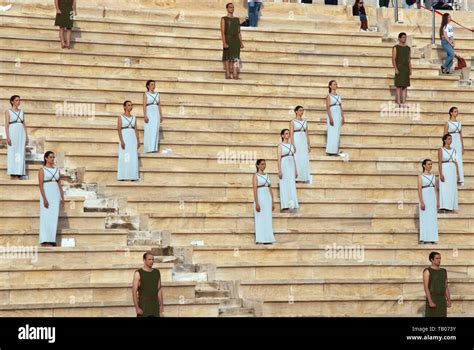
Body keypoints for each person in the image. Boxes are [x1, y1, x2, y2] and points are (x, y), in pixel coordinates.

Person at [38, 151, 64, 247]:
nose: (52, 159)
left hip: (55, 196)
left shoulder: (57, 170)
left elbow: (59, 185)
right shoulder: (42, 170)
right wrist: (44, 198)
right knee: (45, 217)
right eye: (50, 157)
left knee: (53, 218)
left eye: (53, 157)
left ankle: (52, 239)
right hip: (47, 194)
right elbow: (40, 185)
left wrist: (62, 198)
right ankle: (45, 240)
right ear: (46, 158)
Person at [132, 252, 164, 317]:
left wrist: (161, 305)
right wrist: (137, 307)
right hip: (143, 304)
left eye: (152, 259)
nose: (151, 261)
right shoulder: (138, 273)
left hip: (154, 304)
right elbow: (134, 291)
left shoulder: (157, 272)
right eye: (149, 259)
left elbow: (159, 289)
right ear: (144, 260)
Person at [253, 159, 276, 244]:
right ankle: (261, 239)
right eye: (262, 164)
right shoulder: (255, 176)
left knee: (267, 219)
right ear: (257, 165)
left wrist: (273, 202)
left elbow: (270, 189)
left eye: (265, 164)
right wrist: (256, 203)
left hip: (267, 199)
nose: (264, 166)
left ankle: (268, 238)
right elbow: (255, 190)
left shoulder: (267, 175)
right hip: (260, 198)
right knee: (260, 219)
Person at [5, 95, 28, 178]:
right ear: (12, 102)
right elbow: (7, 125)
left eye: (19, 100)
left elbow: (24, 124)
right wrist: (7, 137)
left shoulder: (22, 111)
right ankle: (12, 171)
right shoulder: (8, 111)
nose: (18, 102)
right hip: (12, 132)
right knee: (13, 152)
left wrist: (27, 136)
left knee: (20, 152)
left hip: (21, 133)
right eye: (17, 100)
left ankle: (19, 171)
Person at [423, 252, 451, 317]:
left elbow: (446, 286)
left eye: (440, 258)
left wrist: (449, 300)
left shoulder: (443, 271)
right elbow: (426, 288)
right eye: (437, 258)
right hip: (433, 298)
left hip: (442, 300)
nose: (439, 260)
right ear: (432, 260)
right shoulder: (427, 271)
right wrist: (430, 301)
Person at [418, 159, 439, 244]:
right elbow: (419, 190)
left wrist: (437, 201)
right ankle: (424, 238)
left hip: (432, 199)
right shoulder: (420, 176)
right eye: (428, 164)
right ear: (424, 165)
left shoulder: (434, 176)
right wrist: (422, 201)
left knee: (432, 218)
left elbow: (435, 190)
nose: (430, 166)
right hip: (425, 197)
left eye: (431, 164)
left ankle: (432, 237)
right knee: (424, 218)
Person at [117, 101, 140, 181]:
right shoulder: (120, 117)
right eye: (128, 105)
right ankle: (123, 175)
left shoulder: (134, 117)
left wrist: (138, 140)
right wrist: (122, 141)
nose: (130, 107)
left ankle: (133, 175)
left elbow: (136, 130)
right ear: (124, 107)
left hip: (132, 139)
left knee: (133, 156)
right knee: (125, 156)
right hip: (125, 137)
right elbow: (119, 130)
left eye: (131, 105)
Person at [221, 3, 244, 80]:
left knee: (236, 58)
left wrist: (241, 42)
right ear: (227, 8)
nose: (232, 9)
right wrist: (224, 42)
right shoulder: (223, 19)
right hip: (228, 39)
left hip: (236, 40)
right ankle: (227, 74)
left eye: (233, 7)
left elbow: (238, 32)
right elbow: (223, 32)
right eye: (230, 7)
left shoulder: (237, 19)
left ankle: (235, 74)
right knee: (227, 57)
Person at [278, 129, 299, 212]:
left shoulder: (291, 146)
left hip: (291, 166)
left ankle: (292, 204)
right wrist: (279, 170)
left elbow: (293, 158)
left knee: (291, 184)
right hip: (284, 165)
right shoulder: (280, 146)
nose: (288, 135)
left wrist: (296, 170)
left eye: (289, 133)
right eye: (286, 134)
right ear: (282, 135)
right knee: (284, 184)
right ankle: (285, 205)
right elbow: (279, 159)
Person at [438, 134, 460, 213]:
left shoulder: (454, 149)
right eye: (449, 139)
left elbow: (456, 162)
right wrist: (441, 174)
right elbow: (439, 162)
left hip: (452, 170)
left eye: (451, 139)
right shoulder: (441, 149)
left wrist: (458, 174)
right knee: (445, 189)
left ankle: (451, 207)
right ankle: (446, 208)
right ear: (444, 140)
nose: (450, 140)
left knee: (452, 189)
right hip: (445, 169)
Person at [290, 105, 311, 183]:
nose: (301, 112)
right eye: (300, 110)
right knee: (297, 158)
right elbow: (291, 134)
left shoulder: (305, 122)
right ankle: (297, 178)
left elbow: (307, 134)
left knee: (303, 159)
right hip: (297, 140)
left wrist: (308, 144)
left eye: (302, 110)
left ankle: (303, 177)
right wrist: (292, 144)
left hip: (303, 141)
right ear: (296, 111)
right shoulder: (293, 122)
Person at [444, 107, 464, 185]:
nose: (457, 113)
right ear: (451, 113)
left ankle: (460, 179)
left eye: (457, 111)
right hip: (451, 142)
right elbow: (445, 135)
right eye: (455, 111)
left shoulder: (459, 123)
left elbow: (461, 136)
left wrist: (462, 146)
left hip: (458, 142)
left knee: (458, 159)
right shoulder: (447, 123)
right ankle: (453, 177)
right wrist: (445, 146)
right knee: (452, 159)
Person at [143, 80, 164, 153]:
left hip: (156, 113)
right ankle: (148, 148)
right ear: (148, 86)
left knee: (155, 130)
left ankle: (154, 148)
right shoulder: (146, 94)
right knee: (149, 130)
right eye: (151, 85)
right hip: (149, 111)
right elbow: (144, 105)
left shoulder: (157, 94)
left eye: (154, 85)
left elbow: (159, 105)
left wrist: (161, 115)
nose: (153, 86)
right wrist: (145, 115)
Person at [392, 32, 411, 107]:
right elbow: (393, 59)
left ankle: (403, 101)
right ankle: (398, 102)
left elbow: (409, 59)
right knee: (399, 86)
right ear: (399, 38)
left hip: (406, 68)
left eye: (405, 37)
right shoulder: (395, 47)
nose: (404, 39)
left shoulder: (408, 48)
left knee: (405, 86)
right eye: (403, 37)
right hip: (399, 68)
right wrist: (396, 68)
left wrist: (410, 69)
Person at [325, 80, 344, 155]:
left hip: (338, 115)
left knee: (337, 133)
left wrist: (343, 116)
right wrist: (330, 118)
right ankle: (330, 151)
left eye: (336, 84)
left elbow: (340, 107)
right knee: (331, 133)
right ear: (330, 86)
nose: (335, 85)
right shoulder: (328, 96)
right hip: (332, 114)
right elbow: (328, 108)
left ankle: (335, 150)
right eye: (334, 84)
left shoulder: (339, 96)